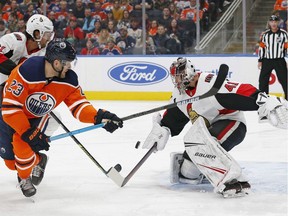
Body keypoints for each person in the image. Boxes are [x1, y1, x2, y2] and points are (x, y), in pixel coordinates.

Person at [141, 57, 288, 198]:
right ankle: (208, 171)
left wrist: (264, 100)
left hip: (232, 124)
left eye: (179, 76)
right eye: (175, 77)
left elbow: (240, 90)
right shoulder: (179, 95)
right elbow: (173, 118)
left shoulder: (209, 83)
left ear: (189, 73)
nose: (177, 81)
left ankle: (234, 180)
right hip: (206, 133)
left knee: (202, 145)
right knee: (188, 172)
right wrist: (163, 129)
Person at [0, 39, 123, 198]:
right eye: (67, 63)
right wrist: (27, 131)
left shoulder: (69, 80)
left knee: (22, 144)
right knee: (11, 164)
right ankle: (38, 160)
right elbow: (10, 108)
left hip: (37, 117)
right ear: (56, 63)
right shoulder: (27, 70)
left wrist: (99, 117)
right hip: (10, 115)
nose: (69, 67)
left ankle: (24, 179)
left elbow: (79, 106)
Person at [0, 14, 54, 83]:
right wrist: (17, 71)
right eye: (47, 35)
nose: (49, 39)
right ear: (37, 34)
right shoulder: (15, 40)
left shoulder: (43, 53)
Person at [258, 15, 288, 100]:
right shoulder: (265, 35)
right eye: (272, 22)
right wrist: (260, 60)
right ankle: (264, 100)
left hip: (279, 60)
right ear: (269, 23)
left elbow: (287, 47)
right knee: (263, 81)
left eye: (275, 22)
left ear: (278, 22)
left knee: (285, 80)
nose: (273, 23)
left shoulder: (284, 34)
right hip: (267, 60)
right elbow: (262, 48)